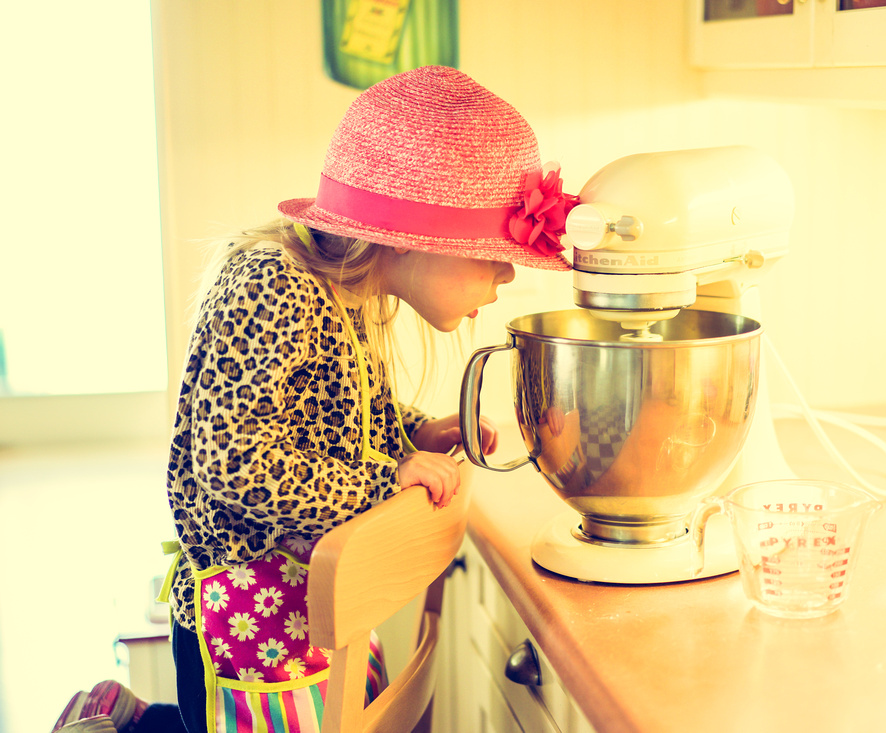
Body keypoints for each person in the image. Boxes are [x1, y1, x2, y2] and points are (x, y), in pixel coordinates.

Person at [53, 65, 576, 733]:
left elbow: (332, 417)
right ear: (411, 239)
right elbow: (235, 460)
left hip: (310, 595)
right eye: (487, 253)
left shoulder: (352, 292)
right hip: (246, 604)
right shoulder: (274, 286)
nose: (506, 273)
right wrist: (385, 480)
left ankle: (135, 719)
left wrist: (414, 434)